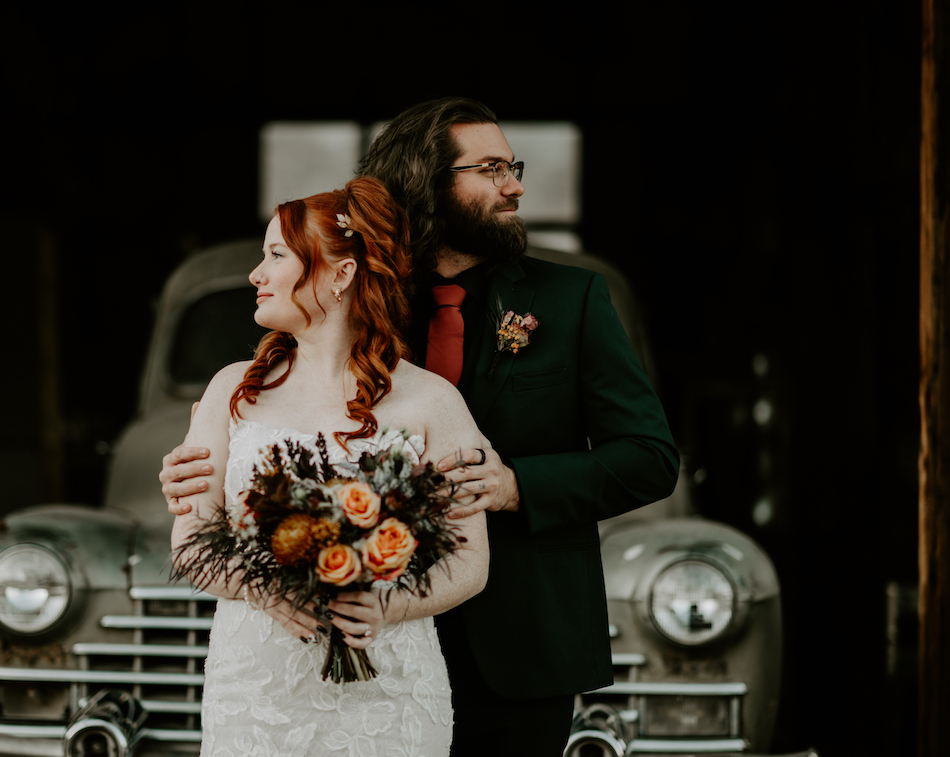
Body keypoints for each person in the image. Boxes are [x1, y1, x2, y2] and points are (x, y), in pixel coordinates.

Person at [164, 98, 680, 755]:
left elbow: (649, 456)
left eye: (512, 166)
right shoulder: (352, 288)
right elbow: (279, 429)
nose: (515, 185)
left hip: (521, 638)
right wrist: (195, 471)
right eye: (490, 168)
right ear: (428, 182)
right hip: (355, 646)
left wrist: (515, 485)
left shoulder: (570, 300)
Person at [171, 175, 490, 756]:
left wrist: (387, 604)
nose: (256, 275)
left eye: (275, 255)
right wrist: (265, 591)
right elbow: (190, 541)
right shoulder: (231, 393)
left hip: (389, 695)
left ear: (341, 275)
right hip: (256, 693)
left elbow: (470, 560)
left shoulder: (431, 401)